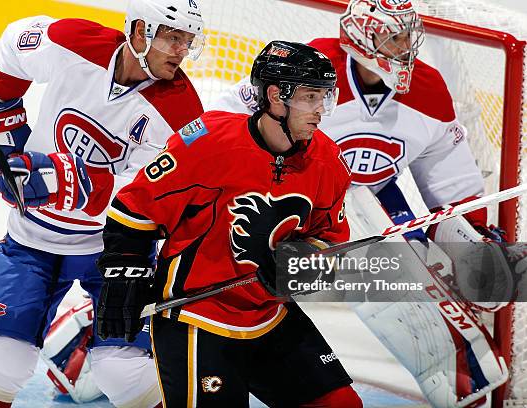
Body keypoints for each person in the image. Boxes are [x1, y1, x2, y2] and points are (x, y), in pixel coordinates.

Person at [210, 0, 523, 406]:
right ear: (360, 36)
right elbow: (227, 118)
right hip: (289, 196)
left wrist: (470, 234)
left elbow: (450, 173)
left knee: (435, 319)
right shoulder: (311, 67)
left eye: (408, 35)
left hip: (373, 200)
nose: (405, 46)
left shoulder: (427, 90)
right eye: (392, 36)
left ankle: (469, 386)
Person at [0, 0, 205, 407]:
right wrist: (0, 107)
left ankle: (88, 327)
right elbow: (16, 42)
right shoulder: (74, 43)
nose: (181, 50)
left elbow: (151, 196)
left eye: (188, 40)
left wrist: (62, 178)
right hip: (29, 240)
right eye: (173, 36)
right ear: (140, 30)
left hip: (115, 250)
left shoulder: (182, 112)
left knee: (120, 368)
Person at [96, 40, 362, 408]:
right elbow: (132, 210)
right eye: (310, 98)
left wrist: (298, 265)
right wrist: (123, 282)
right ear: (275, 95)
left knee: (340, 405)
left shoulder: (327, 161)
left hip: (269, 314)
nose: (320, 111)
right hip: (196, 316)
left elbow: (328, 240)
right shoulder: (207, 141)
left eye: (323, 99)